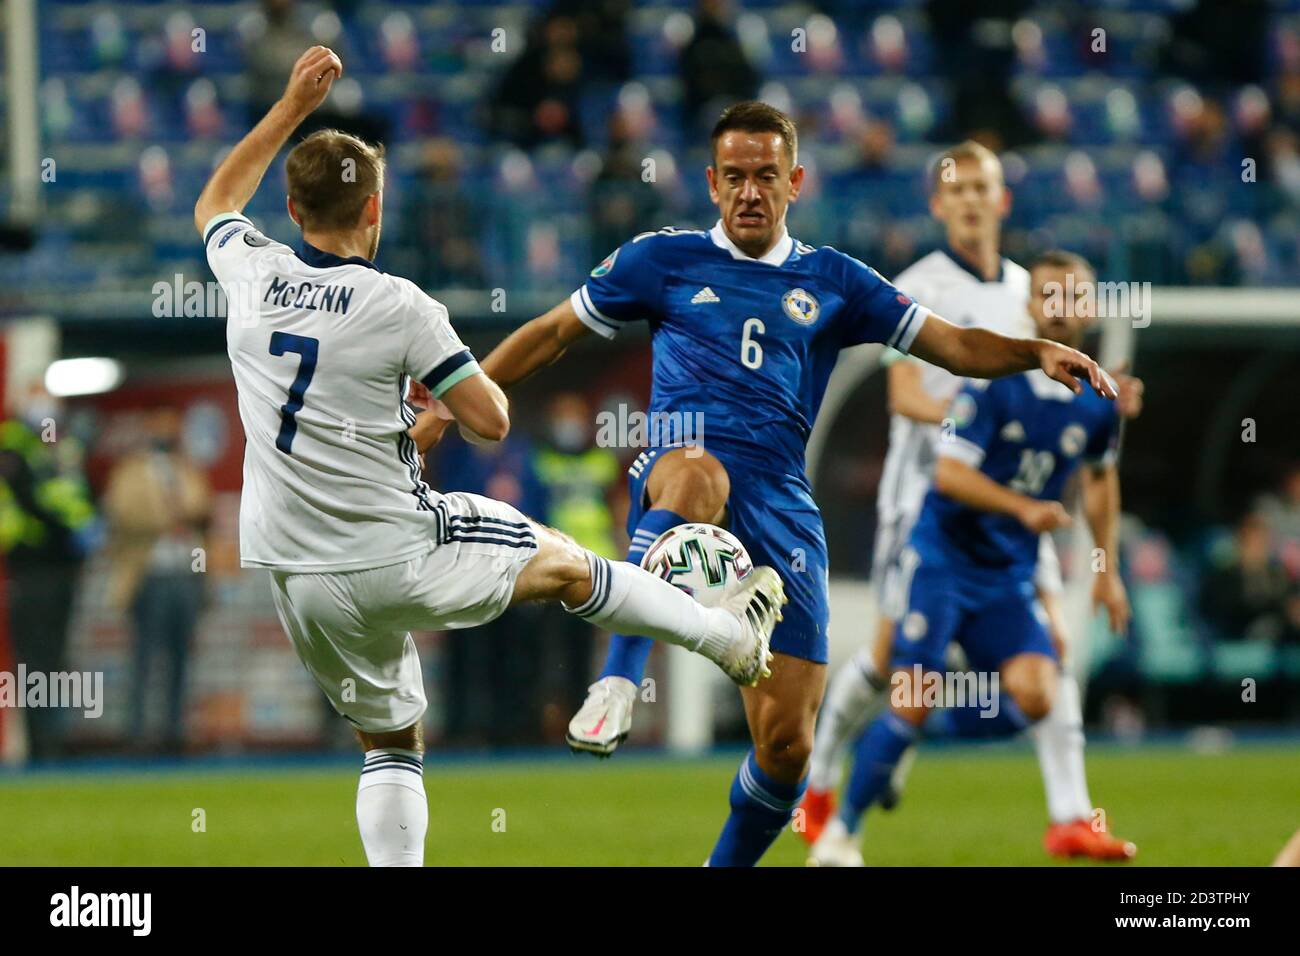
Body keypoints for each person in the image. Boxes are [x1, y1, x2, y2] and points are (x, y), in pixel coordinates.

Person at [431, 101, 1116, 866]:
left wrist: (1037, 351)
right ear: (712, 184)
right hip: (679, 466)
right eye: (733, 178)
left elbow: (952, 344)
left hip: (782, 507)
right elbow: (553, 333)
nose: (749, 192)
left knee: (787, 747)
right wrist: (455, 396)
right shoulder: (661, 261)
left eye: (764, 176)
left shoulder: (835, 281)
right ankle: (618, 682)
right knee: (695, 474)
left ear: (794, 181)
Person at [194, 47, 785, 867]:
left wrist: (293, 103)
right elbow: (493, 418)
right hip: (399, 546)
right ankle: (725, 639)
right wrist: (423, 400)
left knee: (391, 739)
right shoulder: (401, 305)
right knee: (569, 565)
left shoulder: (249, 274)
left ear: (292, 210)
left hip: (295, 570)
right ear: (375, 212)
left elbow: (218, 197)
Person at [802, 141, 1142, 860]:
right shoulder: (917, 285)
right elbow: (902, 394)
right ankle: (826, 774)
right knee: (894, 659)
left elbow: (1066, 413)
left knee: (1049, 647)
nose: (969, 200)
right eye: (955, 189)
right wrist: (987, 415)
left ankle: (1071, 813)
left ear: (1001, 199)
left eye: (981, 187)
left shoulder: (1034, 287)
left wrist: (1066, 414)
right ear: (938, 204)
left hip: (1019, 513)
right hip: (928, 499)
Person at [104, 407, 212, 754]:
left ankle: (173, 731)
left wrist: (182, 512)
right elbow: (123, 512)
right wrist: (168, 515)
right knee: (144, 656)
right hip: (148, 574)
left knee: (181, 656)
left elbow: (201, 506)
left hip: (185, 573)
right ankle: (137, 732)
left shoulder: (186, 468)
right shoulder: (131, 471)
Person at [0, 386, 97, 760]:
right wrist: (69, 532)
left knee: (55, 658)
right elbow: (28, 498)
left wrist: (86, 526)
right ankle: (40, 746)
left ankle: (53, 741)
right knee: (36, 660)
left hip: (62, 569)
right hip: (29, 568)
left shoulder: (61, 445)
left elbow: (77, 493)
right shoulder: (13, 445)